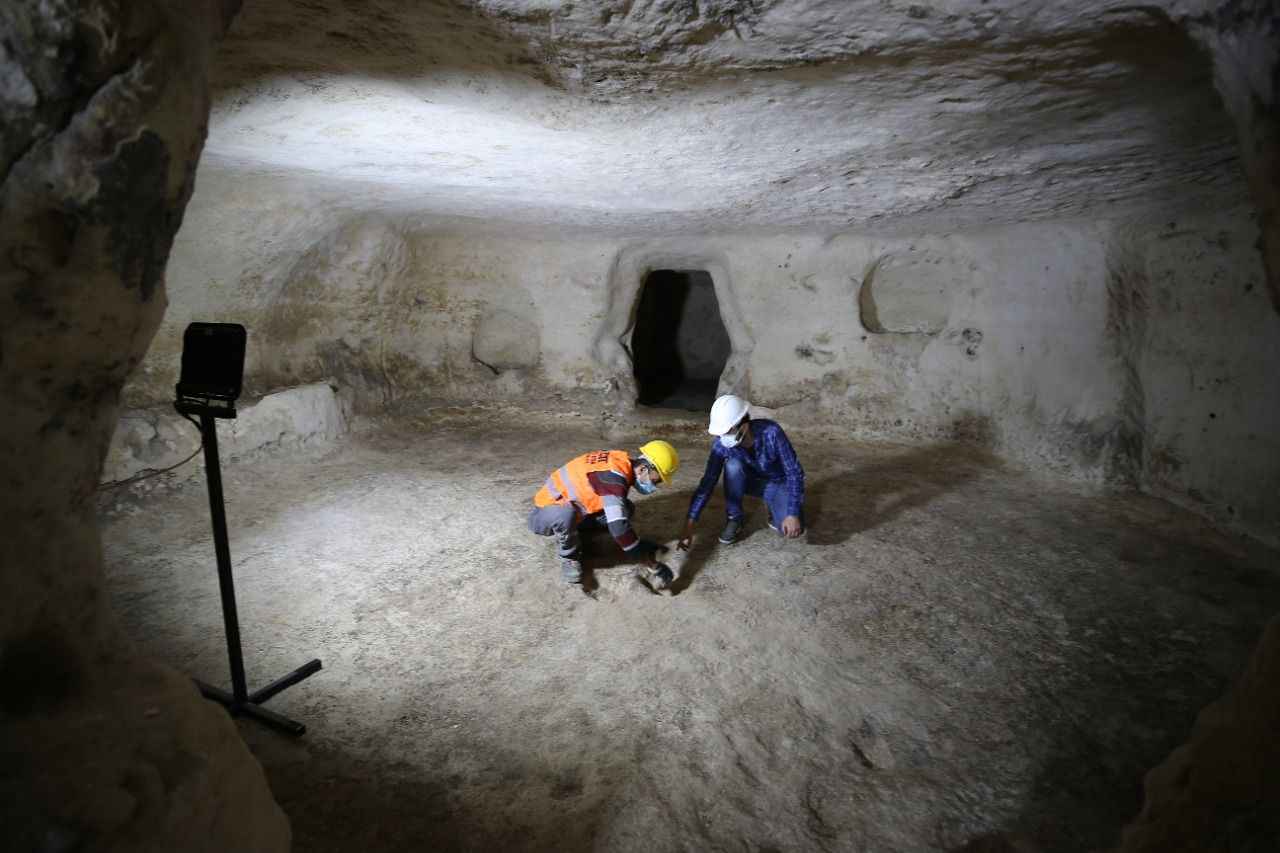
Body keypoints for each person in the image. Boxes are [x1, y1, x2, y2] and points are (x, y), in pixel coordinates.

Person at [528, 440, 680, 588]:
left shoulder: (620, 462)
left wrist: (635, 543)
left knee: (626, 509)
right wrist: (652, 564)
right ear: (643, 469)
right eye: (657, 480)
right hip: (546, 514)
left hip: (575, 509)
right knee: (567, 515)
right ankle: (569, 556)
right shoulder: (613, 478)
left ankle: (579, 534)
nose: (655, 486)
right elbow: (619, 528)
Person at [678, 395, 805, 549]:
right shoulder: (721, 445)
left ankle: (773, 503)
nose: (724, 437)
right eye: (721, 433)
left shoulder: (772, 432)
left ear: (744, 425)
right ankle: (735, 517)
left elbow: (794, 472)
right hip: (749, 482)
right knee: (732, 466)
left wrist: (792, 514)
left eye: (728, 431)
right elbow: (707, 483)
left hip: (778, 482)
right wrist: (689, 525)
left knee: (792, 527)